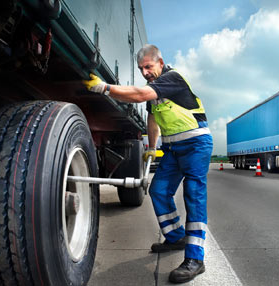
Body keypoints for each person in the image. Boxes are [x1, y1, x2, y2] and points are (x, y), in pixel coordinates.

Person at [83, 44, 213, 283]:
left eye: (148, 67)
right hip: (173, 149)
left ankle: (195, 259)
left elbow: (141, 94)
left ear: (160, 63)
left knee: (193, 195)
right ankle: (176, 238)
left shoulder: (172, 78)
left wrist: (105, 88)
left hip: (196, 144)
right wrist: (152, 149)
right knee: (158, 190)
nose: (145, 73)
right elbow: (152, 121)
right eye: (141, 69)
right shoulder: (155, 93)